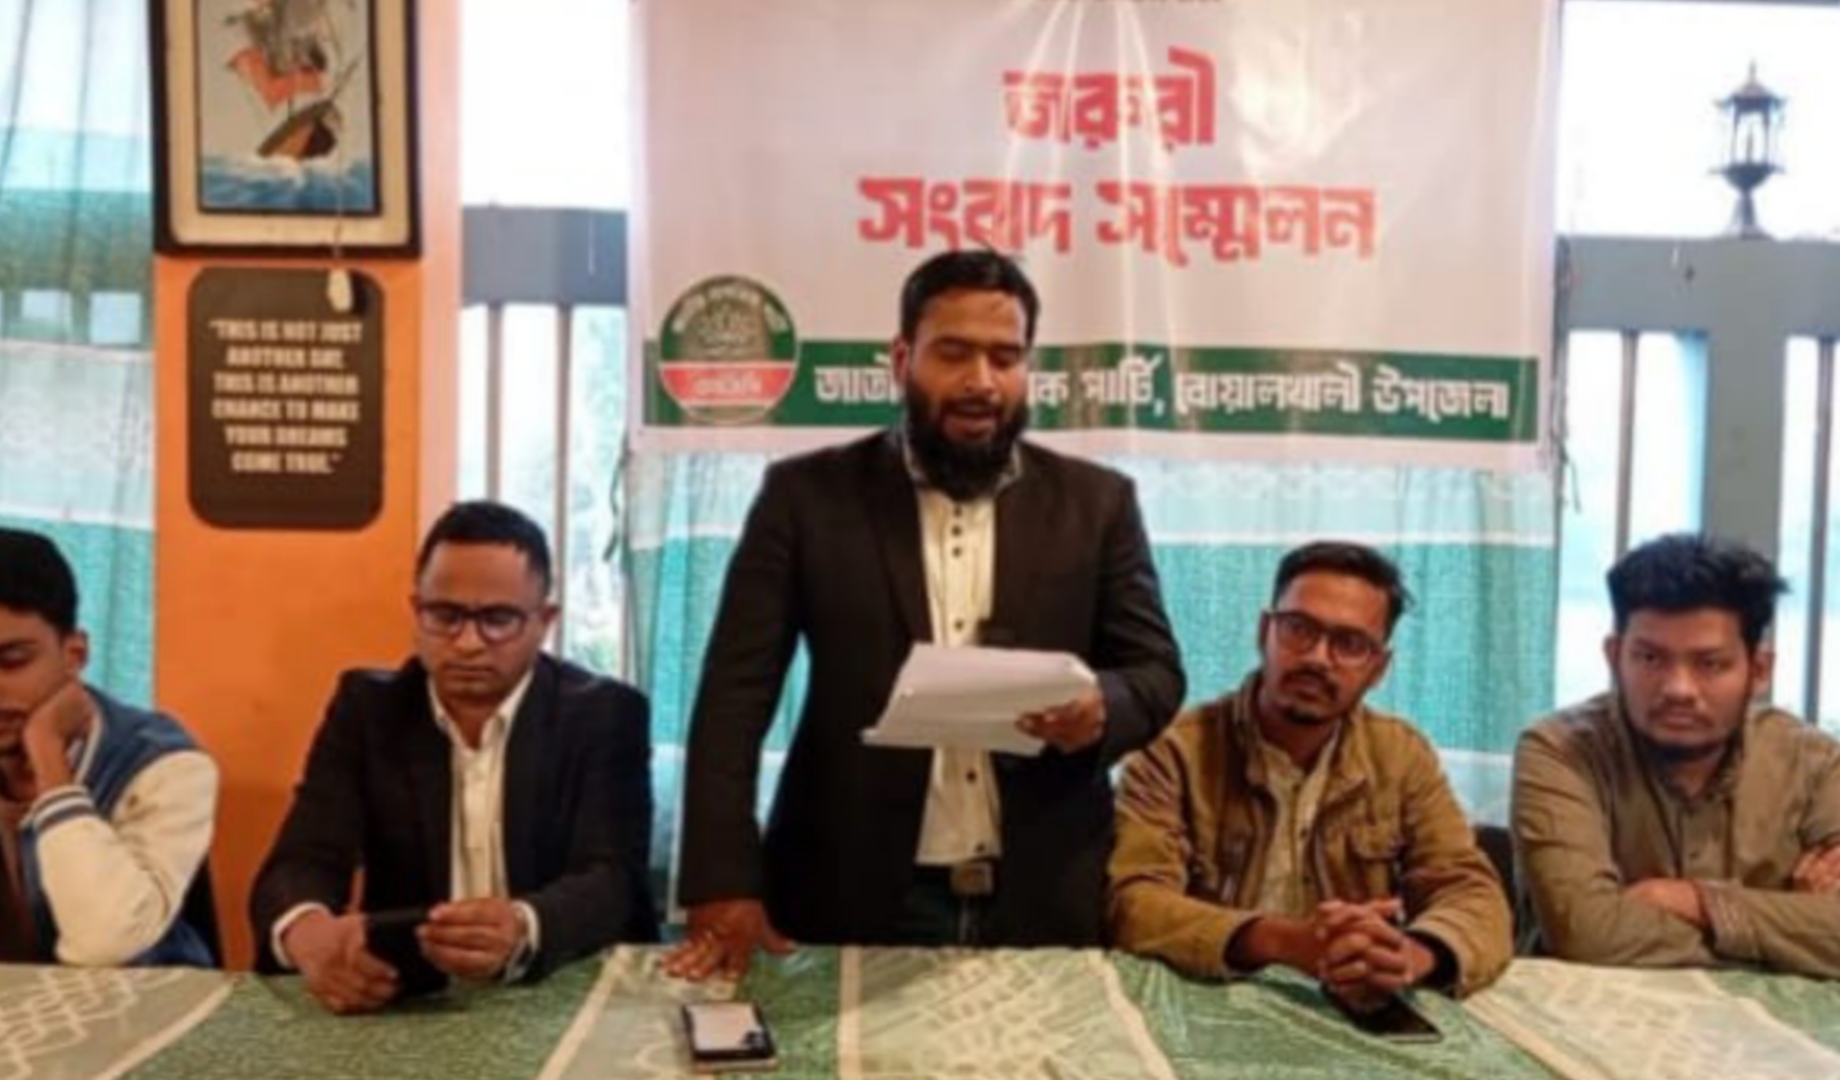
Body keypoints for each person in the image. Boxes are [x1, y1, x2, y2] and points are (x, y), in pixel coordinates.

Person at [667, 250, 1186, 979]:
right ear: (901, 359)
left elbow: (1157, 673)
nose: (981, 381)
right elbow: (734, 696)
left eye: (1005, 357)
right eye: (954, 353)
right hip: (846, 890)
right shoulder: (804, 498)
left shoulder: (1098, 505)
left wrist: (1104, 706)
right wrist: (722, 881)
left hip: (1043, 893)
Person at [250, 501, 656, 1013]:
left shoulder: (603, 713)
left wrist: (524, 925)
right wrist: (309, 935)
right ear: (416, 610)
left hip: (558, 991)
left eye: (498, 619)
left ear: (545, 622)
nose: (467, 643)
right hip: (410, 999)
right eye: (445, 616)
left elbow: (614, 881)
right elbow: (302, 859)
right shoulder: (369, 709)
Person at [1110, 542, 1510, 1006]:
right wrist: (1281, 942)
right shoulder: (1175, 750)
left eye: (1350, 644)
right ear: (1265, 632)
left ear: (1378, 668)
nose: (1318, 658)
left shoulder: (1401, 757)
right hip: (1201, 998)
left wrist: (1410, 955)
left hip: (1345, 1006)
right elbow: (1133, 902)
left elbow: (1472, 893)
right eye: (1299, 629)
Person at [1514, 533, 1840, 977]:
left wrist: (1689, 900)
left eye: (1710, 664)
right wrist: (1791, 931)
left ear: (1759, 670)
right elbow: (1587, 934)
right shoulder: (1559, 751)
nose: (1678, 689)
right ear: (1614, 656)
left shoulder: (1814, 764)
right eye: (1650, 659)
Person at [0, 527, 218, 966]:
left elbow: (105, 941)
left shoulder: (165, 765)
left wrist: (48, 755)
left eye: (13, 662)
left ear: (75, 654)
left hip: (144, 1002)